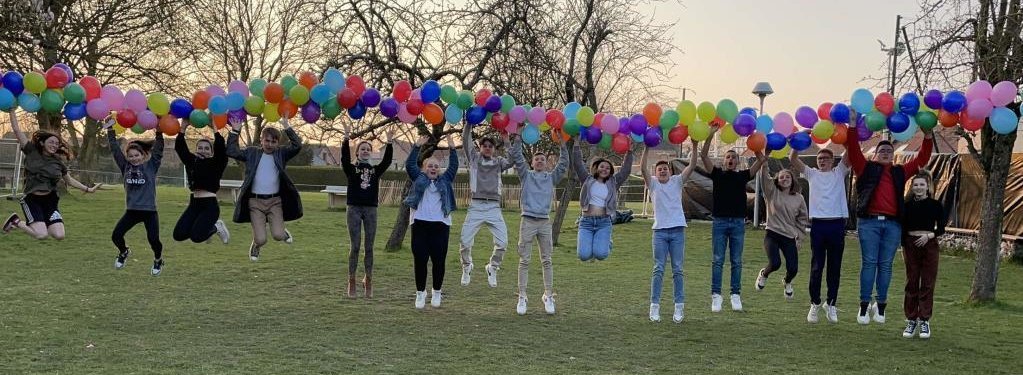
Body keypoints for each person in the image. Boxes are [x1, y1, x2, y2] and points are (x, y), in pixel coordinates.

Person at [846, 118, 933, 325]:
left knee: (885, 265)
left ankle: (881, 306)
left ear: (893, 156)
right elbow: (853, 148)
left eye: (888, 150)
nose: (885, 152)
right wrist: (851, 126)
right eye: (882, 150)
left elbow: (922, 158)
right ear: (875, 155)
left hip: (893, 225)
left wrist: (928, 136)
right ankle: (864, 306)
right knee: (869, 263)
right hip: (869, 223)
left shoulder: (899, 171)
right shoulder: (865, 168)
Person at [700, 126, 767, 312]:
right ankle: (716, 295)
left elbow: (761, 159)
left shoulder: (742, 176)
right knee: (718, 260)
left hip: (737, 223)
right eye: (728, 157)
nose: (731, 159)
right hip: (720, 222)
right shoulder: (717, 175)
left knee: (736, 261)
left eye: (734, 158)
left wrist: (754, 143)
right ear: (724, 161)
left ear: (738, 162)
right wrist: (711, 134)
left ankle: (735, 295)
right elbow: (704, 156)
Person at [3, 111, 98, 237]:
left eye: (57, 143)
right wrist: (11, 110)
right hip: (33, 200)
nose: (54, 145)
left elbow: (69, 180)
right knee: (41, 235)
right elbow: (16, 130)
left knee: (59, 235)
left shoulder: (58, 162)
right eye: (51, 142)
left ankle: (40, 222)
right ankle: (16, 221)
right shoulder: (31, 152)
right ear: (42, 143)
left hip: (50, 200)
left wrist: (88, 189)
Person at [226, 117, 304, 262]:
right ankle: (256, 245)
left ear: (278, 143)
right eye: (266, 141)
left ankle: (282, 231)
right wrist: (235, 131)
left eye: (273, 141)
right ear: (261, 141)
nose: (269, 144)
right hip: (255, 203)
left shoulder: (281, 153)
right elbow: (231, 151)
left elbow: (297, 146)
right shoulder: (252, 153)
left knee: (278, 236)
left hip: (275, 202)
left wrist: (287, 127)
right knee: (261, 239)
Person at [508, 133, 568, 315]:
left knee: (547, 260)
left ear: (547, 163)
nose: (540, 161)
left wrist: (562, 145)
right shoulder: (526, 175)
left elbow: (564, 164)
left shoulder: (551, 177)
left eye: (543, 159)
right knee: (524, 260)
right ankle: (522, 296)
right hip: (527, 221)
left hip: (544, 222)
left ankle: (548, 295)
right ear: (532, 163)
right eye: (537, 159)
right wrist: (517, 138)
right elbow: (517, 158)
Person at [640, 139, 700, 323]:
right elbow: (643, 168)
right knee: (658, 269)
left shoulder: (677, 181)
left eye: (665, 168)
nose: (663, 170)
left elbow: (692, 165)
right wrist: (647, 147)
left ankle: (679, 307)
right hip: (659, 232)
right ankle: (654, 307)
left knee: (678, 270)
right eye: (659, 169)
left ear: (670, 171)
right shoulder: (653, 184)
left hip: (677, 232)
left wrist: (695, 145)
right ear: (655, 174)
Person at [790, 147, 850, 323]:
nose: (822, 161)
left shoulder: (839, 172)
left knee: (834, 267)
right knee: (817, 266)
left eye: (825, 158)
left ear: (832, 160)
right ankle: (814, 303)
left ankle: (831, 303)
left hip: (837, 224)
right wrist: (799, 141)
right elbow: (793, 158)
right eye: (819, 158)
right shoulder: (812, 174)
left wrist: (846, 137)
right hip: (818, 225)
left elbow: (851, 152)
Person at [106, 120, 166, 275]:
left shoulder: (151, 166)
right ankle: (124, 251)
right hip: (132, 211)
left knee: (154, 240)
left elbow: (159, 149)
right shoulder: (125, 166)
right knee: (116, 236)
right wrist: (110, 129)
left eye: (136, 155)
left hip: (149, 211)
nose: (133, 158)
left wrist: (159, 132)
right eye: (130, 156)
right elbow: (114, 149)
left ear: (143, 155)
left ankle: (158, 260)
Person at [405, 133, 457, 310]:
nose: (433, 168)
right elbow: (409, 164)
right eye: (430, 166)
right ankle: (420, 293)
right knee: (420, 260)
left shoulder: (445, 179)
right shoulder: (418, 178)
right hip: (419, 224)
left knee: (438, 260)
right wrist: (416, 147)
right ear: (424, 168)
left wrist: (452, 148)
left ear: (439, 169)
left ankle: (436, 291)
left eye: (436, 166)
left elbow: (454, 166)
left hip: (440, 225)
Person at [341, 124, 393, 298]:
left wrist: (390, 142)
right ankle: (352, 280)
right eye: (362, 149)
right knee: (355, 246)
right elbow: (343, 158)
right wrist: (346, 137)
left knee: (369, 247)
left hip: (371, 210)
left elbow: (386, 162)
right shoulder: (351, 170)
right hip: (354, 209)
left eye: (368, 149)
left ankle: (368, 279)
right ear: (357, 152)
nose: (365, 151)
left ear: (371, 152)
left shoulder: (375, 171)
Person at [459, 125, 513, 288]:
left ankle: (493, 267)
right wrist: (468, 125)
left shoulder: (498, 162)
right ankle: (467, 266)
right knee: (464, 241)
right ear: (480, 147)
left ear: (494, 149)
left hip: (493, 208)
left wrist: (507, 141)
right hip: (476, 205)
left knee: (502, 242)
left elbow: (512, 160)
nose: (488, 148)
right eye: (485, 146)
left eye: (491, 146)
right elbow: (465, 141)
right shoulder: (474, 159)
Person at [753, 165, 809, 304]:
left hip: (789, 236)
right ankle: (763, 274)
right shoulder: (771, 192)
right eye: (781, 177)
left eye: (787, 176)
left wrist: (799, 237)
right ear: (777, 180)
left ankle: (787, 282)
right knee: (775, 263)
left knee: (793, 269)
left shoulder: (799, 198)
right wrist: (764, 160)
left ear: (792, 180)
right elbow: (765, 176)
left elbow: (802, 218)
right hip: (772, 233)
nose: (785, 179)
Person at [570, 141, 634, 262]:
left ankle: (607, 243)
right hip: (586, 222)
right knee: (583, 256)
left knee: (601, 255)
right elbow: (578, 164)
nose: (605, 169)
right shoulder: (587, 179)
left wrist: (629, 152)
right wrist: (576, 144)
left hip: (603, 222)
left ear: (610, 171)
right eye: (602, 166)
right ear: (596, 168)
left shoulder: (613, 182)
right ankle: (598, 244)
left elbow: (626, 171)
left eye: (608, 168)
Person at [172, 119, 230, 245]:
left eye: (206, 148)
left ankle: (216, 227)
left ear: (211, 151)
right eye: (200, 148)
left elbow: (220, 148)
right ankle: (206, 229)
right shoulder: (191, 161)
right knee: (178, 235)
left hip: (210, 205)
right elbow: (180, 147)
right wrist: (183, 128)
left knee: (196, 237)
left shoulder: (216, 163)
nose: (203, 150)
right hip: (194, 203)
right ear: (196, 149)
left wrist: (215, 128)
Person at [901, 173, 945, 339]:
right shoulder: (907, 206)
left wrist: (928, 236)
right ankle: (911, 319)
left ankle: (924, 321)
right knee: (912, 282)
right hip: (911, 244)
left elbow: (941, 228)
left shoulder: (935, 205)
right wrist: (904, 246)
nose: (918, 188)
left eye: (922, 185)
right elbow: (903, 228)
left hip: (929, 244)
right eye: (916, 185)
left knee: (927, 282)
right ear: (912, 188)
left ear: (928, 187)